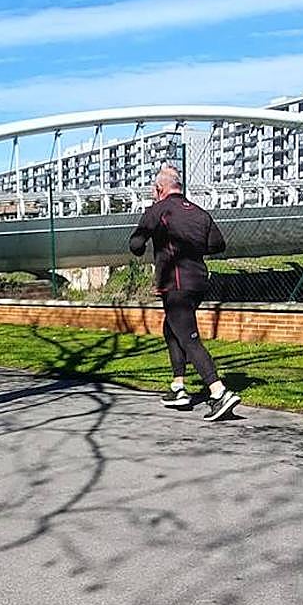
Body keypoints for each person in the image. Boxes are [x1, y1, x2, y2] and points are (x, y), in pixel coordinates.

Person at [128, 165, 240, 421]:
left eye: (154, 190)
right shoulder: (200, 213)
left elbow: (135, 245)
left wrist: (153, 236)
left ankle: (218, 391)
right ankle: (178, 387)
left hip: (175, 283)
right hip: (199, 281)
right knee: (172, 329)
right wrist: (192, 250)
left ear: (159, 188)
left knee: (189, 338)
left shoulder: (157, 211)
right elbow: (217, 244)